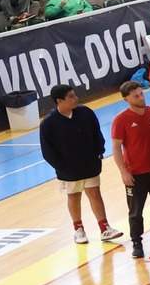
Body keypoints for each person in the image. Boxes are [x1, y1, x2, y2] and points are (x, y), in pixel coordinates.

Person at [38, 85, 122, 246]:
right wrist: (61, 166)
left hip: (90, 164)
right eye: (71, 96)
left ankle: (105, 228)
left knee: (95, 193)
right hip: (67, 169)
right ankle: (78, 229)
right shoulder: (48, 123)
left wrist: (99, 152)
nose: (76, 98)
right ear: (59, 101)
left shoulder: (85, 112)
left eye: (75, 95)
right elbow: (47, 151)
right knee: (74, 196)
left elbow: (97, 134)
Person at [111, 81, 150, 258]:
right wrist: (124, 171)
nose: (141, 97)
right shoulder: (121, 120)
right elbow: (116, 147)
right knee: (136, 212)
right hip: (136, 174)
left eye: (141, 93)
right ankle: (137, 242)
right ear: (126, 99)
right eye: (136, 96)